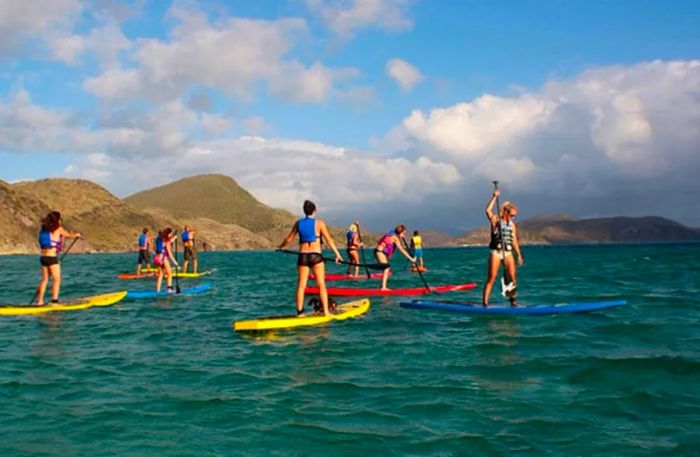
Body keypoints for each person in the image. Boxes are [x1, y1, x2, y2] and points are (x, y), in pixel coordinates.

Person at [278, 200, 342, 316]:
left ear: (304, 211)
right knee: (321, 284)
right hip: (316, 256)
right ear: (314, 210)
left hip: (303, 256)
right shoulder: (319, 223)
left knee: (301, 285)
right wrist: (337, 255)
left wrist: (280, 246)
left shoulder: (298, 223)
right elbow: (329, 240)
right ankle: (327, 312)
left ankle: (300, 313)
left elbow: (288, 239)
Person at [482, 189, 524, 307]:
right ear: (505, 212)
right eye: (512, 215)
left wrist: (519, 255)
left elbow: (514, 240)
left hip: (508, 253)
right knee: (492, 277)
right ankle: (485, 303)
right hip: (496, 252)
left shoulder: (512, 225)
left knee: (512, 277)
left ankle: (513, 301)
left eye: (515, 216)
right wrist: (494, 197)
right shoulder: (496, 220)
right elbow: (487, 210)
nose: (513, 218)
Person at [35, 211, 81, 305]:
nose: (60, 221)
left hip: (43, 258)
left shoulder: (44, 229)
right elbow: (69, 236)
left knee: (44, 280)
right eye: (59, 219)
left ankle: (39, 302)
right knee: (57, 279)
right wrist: (77, 235)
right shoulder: (58, 229)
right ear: (57, 220)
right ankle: (54, 301)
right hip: (52, 258)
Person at [374, 224, 415, 290]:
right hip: (379, 252)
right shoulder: (395, 237)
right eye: (403, 233)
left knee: (387, 269)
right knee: (386, 268)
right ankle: (383, 288)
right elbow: (401, 250)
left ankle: (381, 286)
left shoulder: (393, 235)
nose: (404, 236)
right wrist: (411, 259)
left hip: (380, 252)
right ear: (400, 232)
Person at [154, 228, 179, 293]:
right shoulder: (166, 241)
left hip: (157, 258)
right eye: (170, 234)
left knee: (161, 274)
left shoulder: (159, 239)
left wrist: (174, 238)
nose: (171, 235)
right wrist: (175, 262)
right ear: (168, 234)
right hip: (163, 258)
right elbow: (169, 253)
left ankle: (158, 290)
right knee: (169, 273)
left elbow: (167, 242)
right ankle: (169, 289)